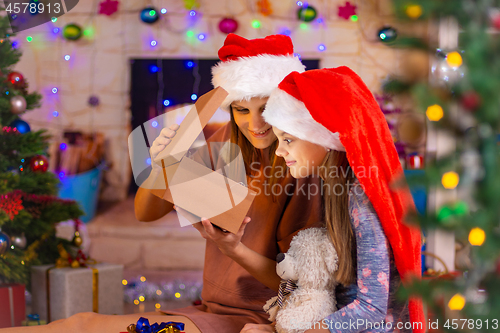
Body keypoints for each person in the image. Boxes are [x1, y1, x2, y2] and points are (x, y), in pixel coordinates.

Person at [238, 67, 425, 333]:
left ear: (324, 137)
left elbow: (371, 310)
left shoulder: (361, 198)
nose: (279, 151)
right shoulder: (334, 187)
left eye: (288, 139)